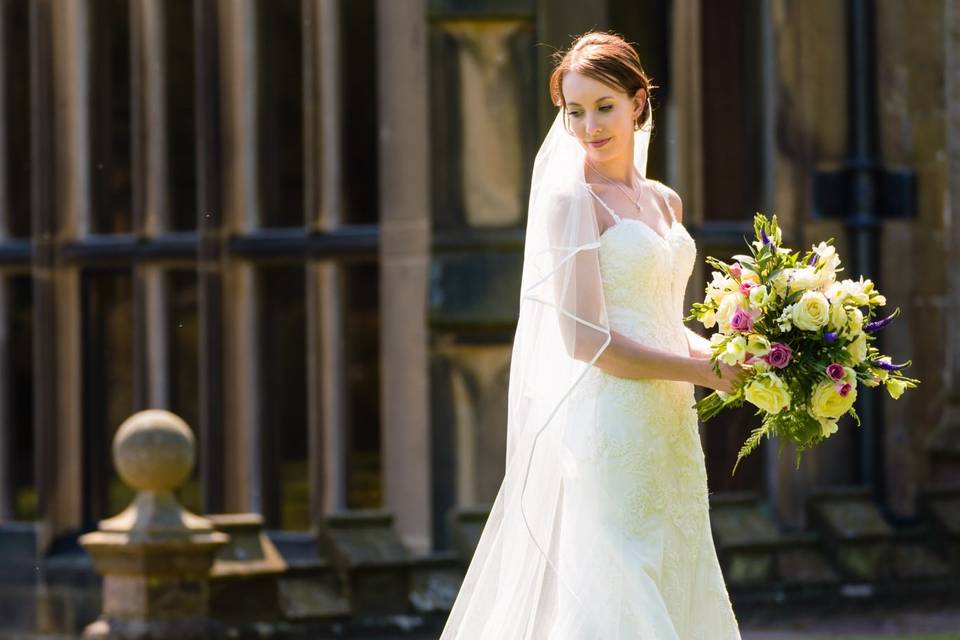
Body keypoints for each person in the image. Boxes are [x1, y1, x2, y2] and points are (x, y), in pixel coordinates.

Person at [440, 31, 745, 639]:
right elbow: (588, 342)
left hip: (671, 431)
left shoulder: (665, 203)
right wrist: (705, 372)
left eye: (603, 107)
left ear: (637, 102)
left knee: (675, 579)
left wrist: (743, 356)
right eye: (574, 111)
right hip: (610, 429)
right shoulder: (569, 200)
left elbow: (659, 323)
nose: (588, 127)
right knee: (620, 596)